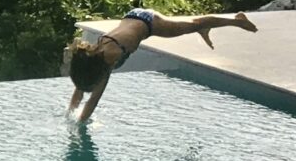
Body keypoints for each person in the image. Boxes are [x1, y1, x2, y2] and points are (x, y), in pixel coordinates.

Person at [66, 7, 256, 121]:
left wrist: (79, 124)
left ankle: (237, 20)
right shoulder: (93, 57)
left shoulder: (111, 57)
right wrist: (70, 114)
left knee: (195, 23)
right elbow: (81, 88)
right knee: (194, 26)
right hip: (132, 16)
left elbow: (94, 99)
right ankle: (203, 29)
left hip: (149, 22)